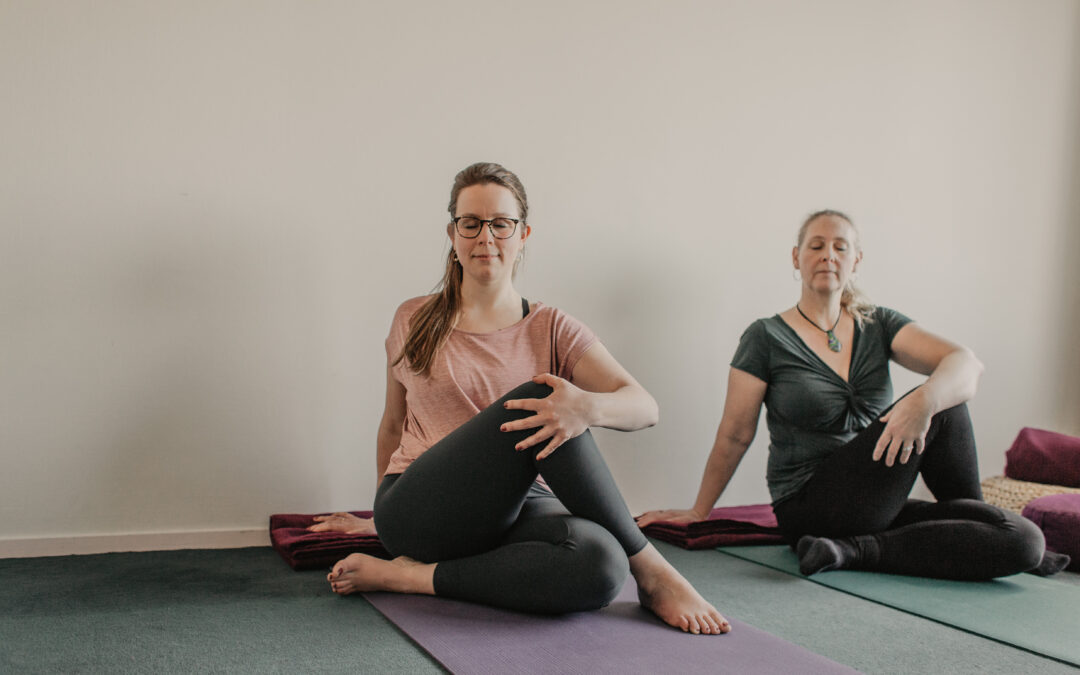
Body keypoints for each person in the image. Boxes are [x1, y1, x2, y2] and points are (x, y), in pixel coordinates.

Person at [312, 162, 729, 634]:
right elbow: (392, 424)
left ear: (523, 233)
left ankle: (413, 578)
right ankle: (654, 571)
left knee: (602, 562)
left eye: (500, 224)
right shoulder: (414, 318)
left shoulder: (551, 326)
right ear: (453, 233)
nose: (485, 237)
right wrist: (379, 521)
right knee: (539, 396)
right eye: (470, 223)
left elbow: (644, 406)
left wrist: (585, 407)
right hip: (423, 507)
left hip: (517, 505)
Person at [637, 210, 1068, 580]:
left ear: (856, 261)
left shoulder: (878, 324)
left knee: (1024, 540)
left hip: (876, 498)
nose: (828, 254)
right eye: (816, 245)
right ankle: (863, 544)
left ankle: (861, 547)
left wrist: (923, 400)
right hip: (809, 505)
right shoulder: (765, 336)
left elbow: (966, 363)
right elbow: (734, 433)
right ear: (796, 258)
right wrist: (699, 510)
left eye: (841, 247)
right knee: (942, 409)